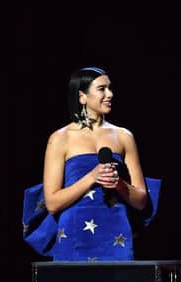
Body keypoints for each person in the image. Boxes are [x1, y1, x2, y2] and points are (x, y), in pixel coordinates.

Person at [23, 66, 160, 261]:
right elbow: (52, 203)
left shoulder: (123, 136)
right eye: (102, 89)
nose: (109, 94)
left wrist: (118, 184)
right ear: (82, 97)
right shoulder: (60, 138)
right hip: (74, 233)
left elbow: (140, 201)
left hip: (115, 232)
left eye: (110, 88)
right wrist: (92, 177)